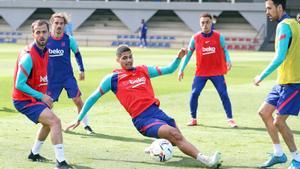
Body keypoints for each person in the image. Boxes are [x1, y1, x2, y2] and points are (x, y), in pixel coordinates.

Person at [65, 45, 222, 168]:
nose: (128, 60)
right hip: (142, 119)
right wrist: (79, 118)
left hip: (157, 112)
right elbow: (93, 98)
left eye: (130, 57)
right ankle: (206, 161)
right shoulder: (112, 79)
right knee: (174, 134)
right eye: (124, 58)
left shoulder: (143, 71)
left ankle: (155, 147)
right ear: (118, 60)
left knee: (176, 140)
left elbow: (170, 69)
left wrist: (178, 58)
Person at [12, 20, 73, 169]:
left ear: (49, 33)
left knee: (48, 124)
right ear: (33, 34)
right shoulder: (29, 56)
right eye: (38, 32)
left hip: (34, 97)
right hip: (23, 100)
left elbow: (40, 76)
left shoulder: (45, 50)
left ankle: (34, 153)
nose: (41, 35)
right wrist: (42, 96)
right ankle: (60, 162)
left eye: (44, 32)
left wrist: (45, 94)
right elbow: (19, 84)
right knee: (55, 122)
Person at [254, 0, 300, 168]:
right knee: (264, 113)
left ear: (280, 8)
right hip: (282, 81)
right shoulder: (294, 23)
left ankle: (297, 159)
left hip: (293, 83)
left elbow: (279, 57)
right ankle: (278, 154)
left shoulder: (284, 26)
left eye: (269, 8)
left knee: (279, 122)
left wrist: (261, 76)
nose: (267, 12)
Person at [178, 13, 237, 128]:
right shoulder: (195, 38)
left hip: (217, 72)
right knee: (194, 93)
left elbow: (225, 50)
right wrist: (181, 69)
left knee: (223, 94)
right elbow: (188, 55)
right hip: (201, 72)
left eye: (207, 22)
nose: (205, 25)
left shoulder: (219, 36)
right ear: (200, 24)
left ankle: (230, 119)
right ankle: (193, 118)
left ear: (211, 23)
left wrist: (228, 60)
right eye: (202, 23)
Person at [47, 12, 94, 134]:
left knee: (78, 101)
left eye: (61, 23)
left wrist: (81, 69)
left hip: (67, 77)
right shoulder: (46, 40)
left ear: (65, 25)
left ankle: (86, 125)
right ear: (52, 24)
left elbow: (77, 53)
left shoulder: (69, 39)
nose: (59, 25)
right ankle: (52, 125)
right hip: (51, 79)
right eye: (56, 23)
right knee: (48, 104)